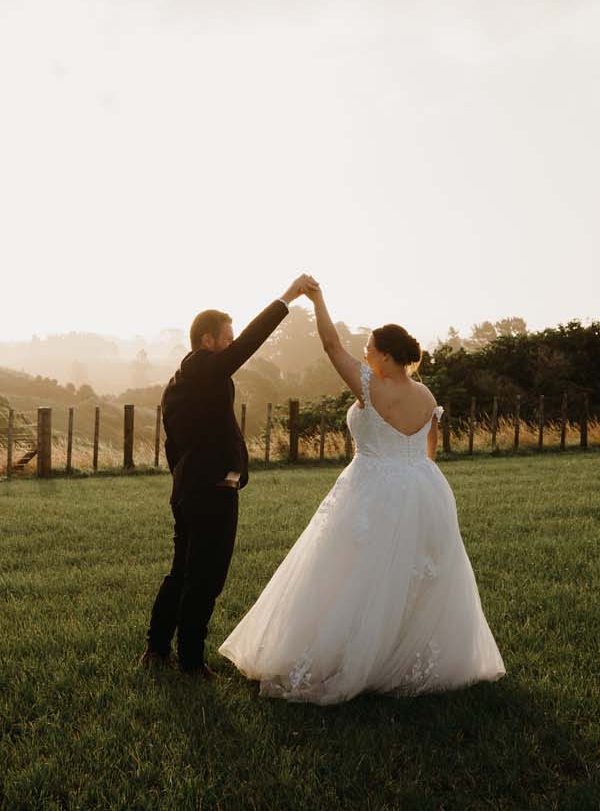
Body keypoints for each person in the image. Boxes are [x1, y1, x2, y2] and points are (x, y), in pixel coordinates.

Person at [218, 282, 506, 703]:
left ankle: (355, 658)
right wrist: (416, 481)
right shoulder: (427, 395)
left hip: (371, 486)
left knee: (351, 572)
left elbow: (332, 345)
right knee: (410, 576)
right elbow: (430, 450)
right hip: (424, 487)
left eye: (370, 349)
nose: (365, 354)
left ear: (387, 357)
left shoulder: (372, 387)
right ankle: (400, 653)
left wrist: (316, 300)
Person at [141, 274, 318, 677]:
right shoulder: (205, 369)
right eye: (225, 339)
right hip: (211, 491)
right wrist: (287, 298)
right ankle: (189, 660)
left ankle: (156, 649)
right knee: (205, 577)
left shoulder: (179, 383)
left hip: (189, 490)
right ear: (207, 342)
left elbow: (175, 446)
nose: (231, 345)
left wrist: (197, 478)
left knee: (182, 571)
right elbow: (248, 344)